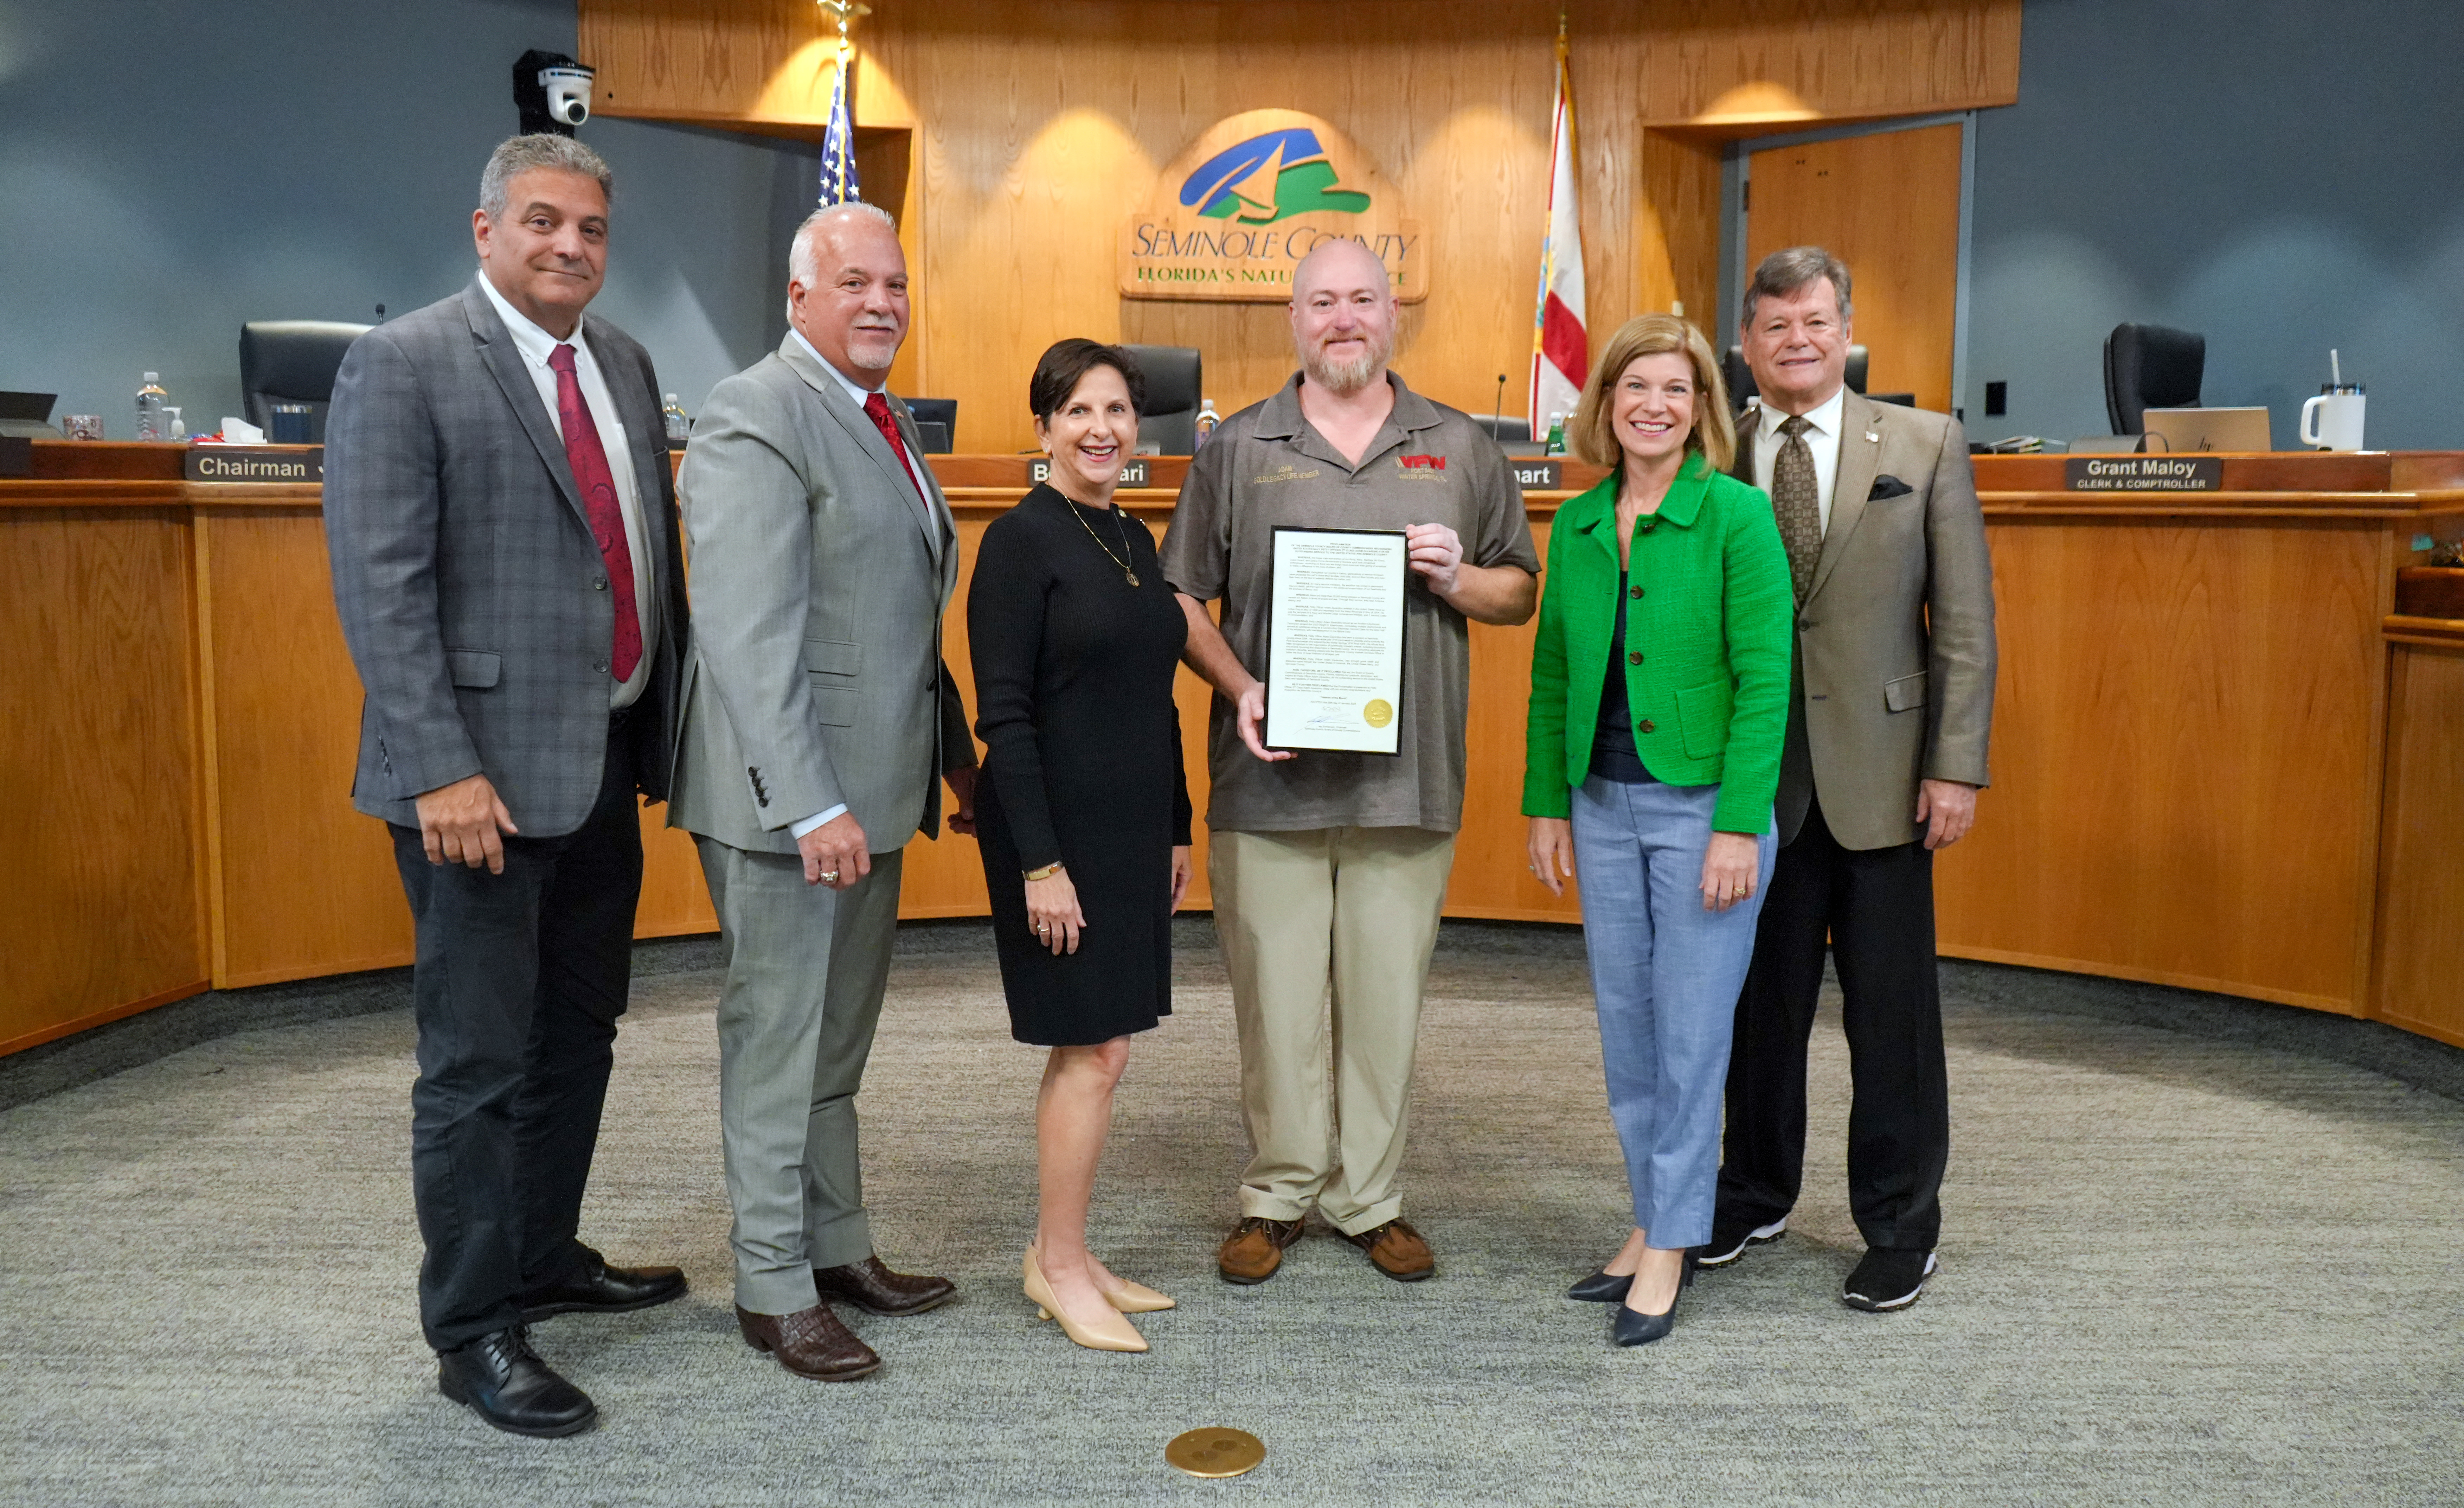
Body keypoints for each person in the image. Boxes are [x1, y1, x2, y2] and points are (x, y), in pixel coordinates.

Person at [323, 133, 691, 1438]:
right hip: (468, 789)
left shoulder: (627, 366)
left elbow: (639, 555)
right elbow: (383, 592)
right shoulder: (406, 362)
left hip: (598, 764)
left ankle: (543, 1256)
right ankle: (474, 1331)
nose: (570, 248)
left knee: (577, 1035)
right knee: (476, 1065)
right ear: (485, 231)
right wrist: (440, 770)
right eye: (542, 222)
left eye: (590, 229)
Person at [1160, 238, 1541, 1286]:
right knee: (1276, 999)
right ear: (1294, 319)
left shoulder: (1459, 445)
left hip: (1407, 779)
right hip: (1266, 778)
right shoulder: (1237, 447)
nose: (1343, 319)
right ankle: (1277, 1194)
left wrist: (1461, 577)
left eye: (1361, 300)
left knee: (1384, 998)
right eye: (1322, 301)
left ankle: (1371, 1199)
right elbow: (1181, 599)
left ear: (1392, 315)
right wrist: (1241, 689)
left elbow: (1521, 589)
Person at [668, 200, 979, 1381]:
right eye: (853, 283)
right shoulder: (757, 411)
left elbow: (893, 618)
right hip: (791, 806)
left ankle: (837, 1246)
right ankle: (770, 1285)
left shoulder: (877, 415)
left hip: (875, 787)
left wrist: (947, 753)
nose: (881, 303)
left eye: (893, 284)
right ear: (797, 298)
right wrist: (809, 803)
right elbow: (749, 636)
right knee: (778, 1041)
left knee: (835, 1044)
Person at [1707, 246, 1997, 1312]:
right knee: (1758, 1013)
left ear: (1846, 330)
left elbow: (1962, 623)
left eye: (1816, 322)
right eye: (1775, 325)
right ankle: (1752, 1193)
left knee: (1891, 1021)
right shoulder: (1713, 450)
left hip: (1886, 781)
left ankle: (1899, 1224)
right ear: (1746, 344)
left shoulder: (1923, 443)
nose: (1797, 340)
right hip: (1752, 789)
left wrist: (1955, 766)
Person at [1521, 314, 1793, 1345]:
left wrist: (1737, 826)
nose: (1653, 406)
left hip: (1701, 815)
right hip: (1600, 805)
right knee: (1628, 1032)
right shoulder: (1583, 523)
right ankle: (1651, 1217)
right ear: (1607, 404)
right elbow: (1553, 672)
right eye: (1636, 388)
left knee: (1690, 1037)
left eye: (1675, 391)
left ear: (1701, 411)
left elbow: (1768, 682)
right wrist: (1546, 800)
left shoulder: (1735, 516)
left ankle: (1673, 1241)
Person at [967, 339, 1195, 1353]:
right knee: (1093, 1050)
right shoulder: (1020, 543)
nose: (1102, 430)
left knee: (1107, 1046)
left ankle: (1071, 1249)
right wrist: (1039, 865)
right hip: (1057, 839)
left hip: (1134, 831)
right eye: (1079, 412)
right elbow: (1004, 721)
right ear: (1045, 427)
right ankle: (1058, 1267)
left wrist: (1182, 826)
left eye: (1117, 411)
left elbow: (1160, 694)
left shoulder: (1132, 539)